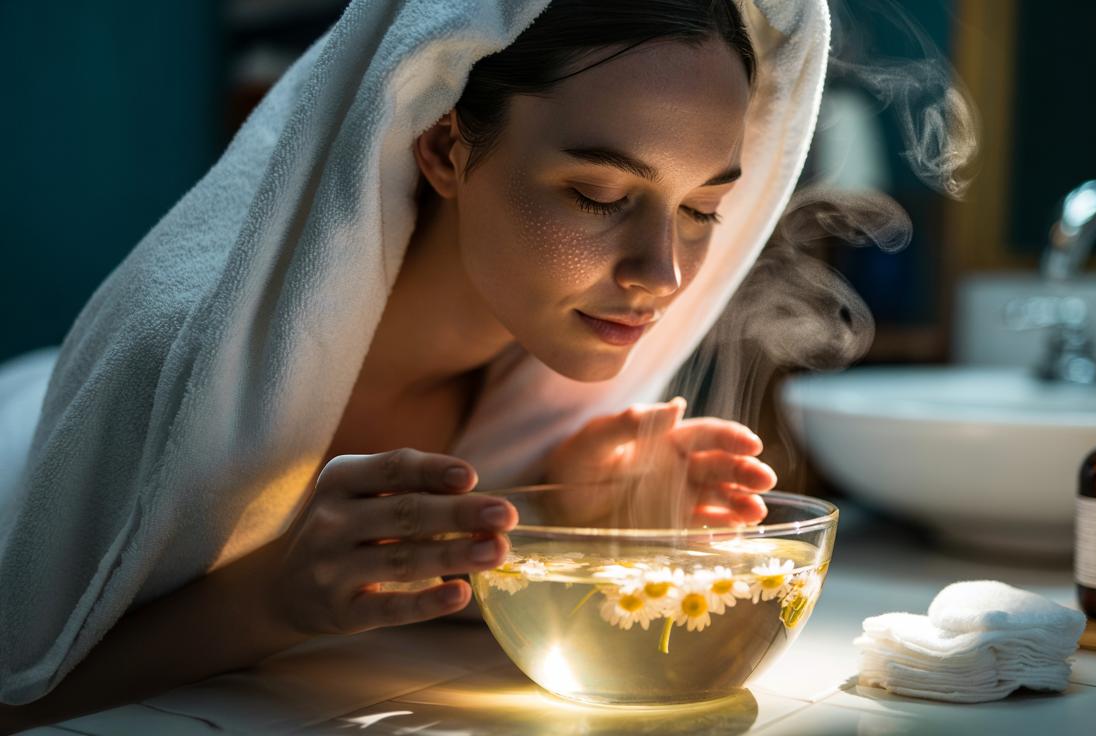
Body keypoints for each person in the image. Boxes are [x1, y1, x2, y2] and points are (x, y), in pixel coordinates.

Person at [0, 0, 830, 728]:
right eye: (599, 196)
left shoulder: (553, 372)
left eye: (702, 209)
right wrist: (269, 600)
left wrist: (557, 493)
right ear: (444, 151)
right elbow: (23, 692)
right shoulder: (174, 369)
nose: (664, 274)